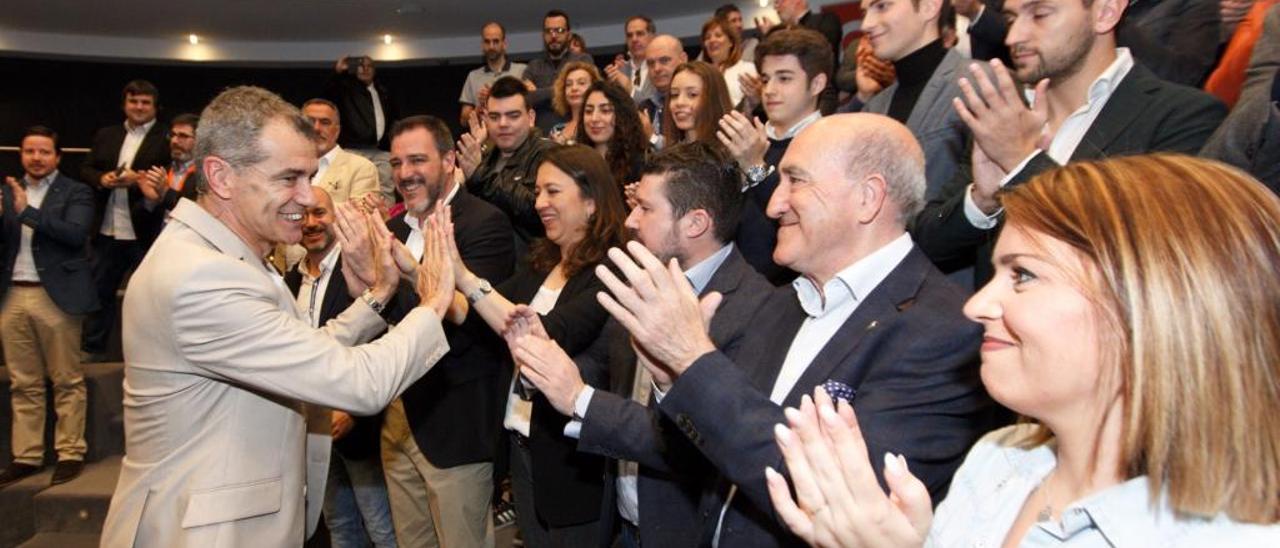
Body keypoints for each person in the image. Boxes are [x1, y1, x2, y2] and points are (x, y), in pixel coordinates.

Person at [765, 154, 1280, 546]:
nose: (976, 306)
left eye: (1024, 275)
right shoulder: (999, 463)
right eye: (996, 274)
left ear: (1151, 307)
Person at [589, 114, 997, 547]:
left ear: (868, 198)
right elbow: (711, 452)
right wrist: (675, 381)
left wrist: (692, 361)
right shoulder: (782, 304)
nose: (772, 205)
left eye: (795, 181)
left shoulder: (943, 333)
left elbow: (832, 502)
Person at [100, 85, 454, 546]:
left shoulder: (225, 256)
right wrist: (433, 302)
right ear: (221, 177)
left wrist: (378, 297)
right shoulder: (202, 277)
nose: (308, 198)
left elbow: (299, 346)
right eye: (289, 178)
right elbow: (356, 383)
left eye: (309, 177)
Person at [508, 142, 774, 548]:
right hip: (624, 525)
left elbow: (695, 445)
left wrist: (578, 398)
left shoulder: (752, 310)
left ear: (695, 223)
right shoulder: (647, 281)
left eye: (646, 209)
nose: (630, 220)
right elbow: (605, 367)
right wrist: (547, 361)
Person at [915, 0, 1228, 286]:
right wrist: (982, 201)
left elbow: (1143, 257)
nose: (1013, 37)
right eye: (1011, 18)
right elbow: (927, 246)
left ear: (1105, 13)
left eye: (1039, 14)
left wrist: (1021, 164)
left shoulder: (1184, 118)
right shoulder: (1006, 117)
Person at [439, 145, 629, 548]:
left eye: (553, 192)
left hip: (574, 464)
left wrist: (465, 276)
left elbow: (543, 333)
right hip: (523, 450)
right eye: (537, 191)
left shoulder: (611, 270)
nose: (539, 203)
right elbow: (475, 315)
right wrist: (409, 268)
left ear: (592, 202)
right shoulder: (541, 263)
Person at [379, 115, 515, 548]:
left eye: (417, 160)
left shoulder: (484, 221)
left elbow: (465, 317)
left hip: (456, 423)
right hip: (398, 416)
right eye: (396, 163)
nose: (405, 174)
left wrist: (409, 271)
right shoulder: (395, 227)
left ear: (450, 160)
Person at [283, 186, 397, 548]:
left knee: (382, 529)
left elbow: (380, 342)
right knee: (340, 528)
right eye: (303, 215)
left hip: (358, 424)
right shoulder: (287, 281)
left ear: (337, 217)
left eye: (320, 213)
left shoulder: (359, 269)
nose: (311, 223)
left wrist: (354, 411)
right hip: (313, 428)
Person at [0, 127, 98, 487]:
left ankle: (70, 452)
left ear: (57, 156)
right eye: (29, 152)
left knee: (67, 380)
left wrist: (27, 212)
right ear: (21, 155)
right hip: (12, 295)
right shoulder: (5, 192)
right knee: (22, 382)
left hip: (56, 297)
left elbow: (75, 235)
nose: (36, 158)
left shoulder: (76, 191)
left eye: (44, 152)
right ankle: (26, 456)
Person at [718, 27, 832, 285]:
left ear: (817, 84)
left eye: (784, 78)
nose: (769, 90)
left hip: (791, 293)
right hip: (733, 284)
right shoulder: (750, 138)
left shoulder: (830, 144)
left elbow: (808, 220)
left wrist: (754, 166)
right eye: (766, 78)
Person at [80, 79, 169, 359]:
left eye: (145, 102)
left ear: (155, 107)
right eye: (134, 101)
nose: (139, 107)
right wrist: (101, 179)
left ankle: (157, 353)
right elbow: (86, 168)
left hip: (145, 231)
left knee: (153, 297)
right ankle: (93, 350)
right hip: (108, 230)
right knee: (99, 293)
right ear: (125, 104)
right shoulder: (106, 134)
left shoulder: (166, 138)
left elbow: (169, 174)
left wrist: (137, 178)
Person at [859, 0, 974, 204]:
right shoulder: (874, 108)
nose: (866, 24)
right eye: (865, 12)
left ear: (929, 6)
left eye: (882, 6)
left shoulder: (977, 83)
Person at [458, 76, 557, 257]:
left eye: (513, 115)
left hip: (531, 263)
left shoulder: (549, 154)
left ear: (531, 117)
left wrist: (480, 175)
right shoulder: (484, 156)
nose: (503, 124)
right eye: (495, 117)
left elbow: (536, 210)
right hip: (483, 254)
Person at [324, 55, 400, 204]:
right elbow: (329, 94)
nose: (365, 69)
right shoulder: (346, 89)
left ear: (374, 70)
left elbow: (394, 119)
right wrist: (339, 73)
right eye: (360, 66)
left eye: (369, 66)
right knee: (350, 187)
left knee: (385, 191)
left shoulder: (383, 92)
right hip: (354, 148)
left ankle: (387, 225)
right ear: (354, 70)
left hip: (381, 150)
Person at [524, 10, 595, 134]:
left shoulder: (582, 59)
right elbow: (526, 97)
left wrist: (539, 92)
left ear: (568, 34)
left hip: (577, 134)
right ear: (543, 35)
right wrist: (560, 90)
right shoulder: (533, 66)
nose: (554, 36)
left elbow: (590, 93)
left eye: (559, 30)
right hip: (541, 139)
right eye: (548, 31)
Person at [301, 98, 380, 205]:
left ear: (337, 131)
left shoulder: (361, 168)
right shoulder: (283, 164)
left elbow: (361, 216)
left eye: (325, 122)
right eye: (309, 121)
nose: (316, 128)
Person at [577, 80, 649, 194]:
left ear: (622, 116)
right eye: (588, 111)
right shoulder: (575, 162)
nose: (594, 118)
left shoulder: (641, 166)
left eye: (605, 111)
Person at [460, 22, 528, 127]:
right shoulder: (473, 76)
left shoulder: (522, 71)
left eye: (496, 41)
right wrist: (480, 107)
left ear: (504, 44)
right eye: (487, 42)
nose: (491, 46)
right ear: (482, 45)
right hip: (485, 140)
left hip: (515, 136)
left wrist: (492, 96)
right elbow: (463, 121)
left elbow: (530, 107)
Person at [661, 61, 734, 148]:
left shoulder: (733, 155)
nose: (679, 102)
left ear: (713, 100)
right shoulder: (667, 156)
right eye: (674, 95)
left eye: (692, 95)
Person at [138, 112, 200, 213]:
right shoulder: (164, 171)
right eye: (172, 135)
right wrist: (151, 200)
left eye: (183, 136)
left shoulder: (205, 176)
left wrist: (165, 192)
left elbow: (193, 212)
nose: (174, 141)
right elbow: (141, 223)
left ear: (199, 141)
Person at [637, 35, 689, 148]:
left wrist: (652, 138)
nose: (657, 69)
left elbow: (691, 152)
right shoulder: (643, 108)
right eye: (651, 63)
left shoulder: (693, 103)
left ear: (683, 59)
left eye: (664, 60)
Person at [701, 15, 759, 108]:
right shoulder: (701, 75)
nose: (712, 40)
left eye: (718, 35)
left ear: (731, 42)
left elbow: (755, 106)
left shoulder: (747, 69)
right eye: (707, 37)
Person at [605, 16, 656, 101]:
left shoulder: (660, 68)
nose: (634, 39)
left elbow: (654, 106)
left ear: (652, 37)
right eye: (629, 35)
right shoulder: (618, 72)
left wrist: (629, 88)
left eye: (639, 34)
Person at [550, 61, 602, 144]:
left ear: (594, 87)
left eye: (581, 83)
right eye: (569, 84)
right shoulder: (557, 129)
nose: (574, 88)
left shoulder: (598, 126)